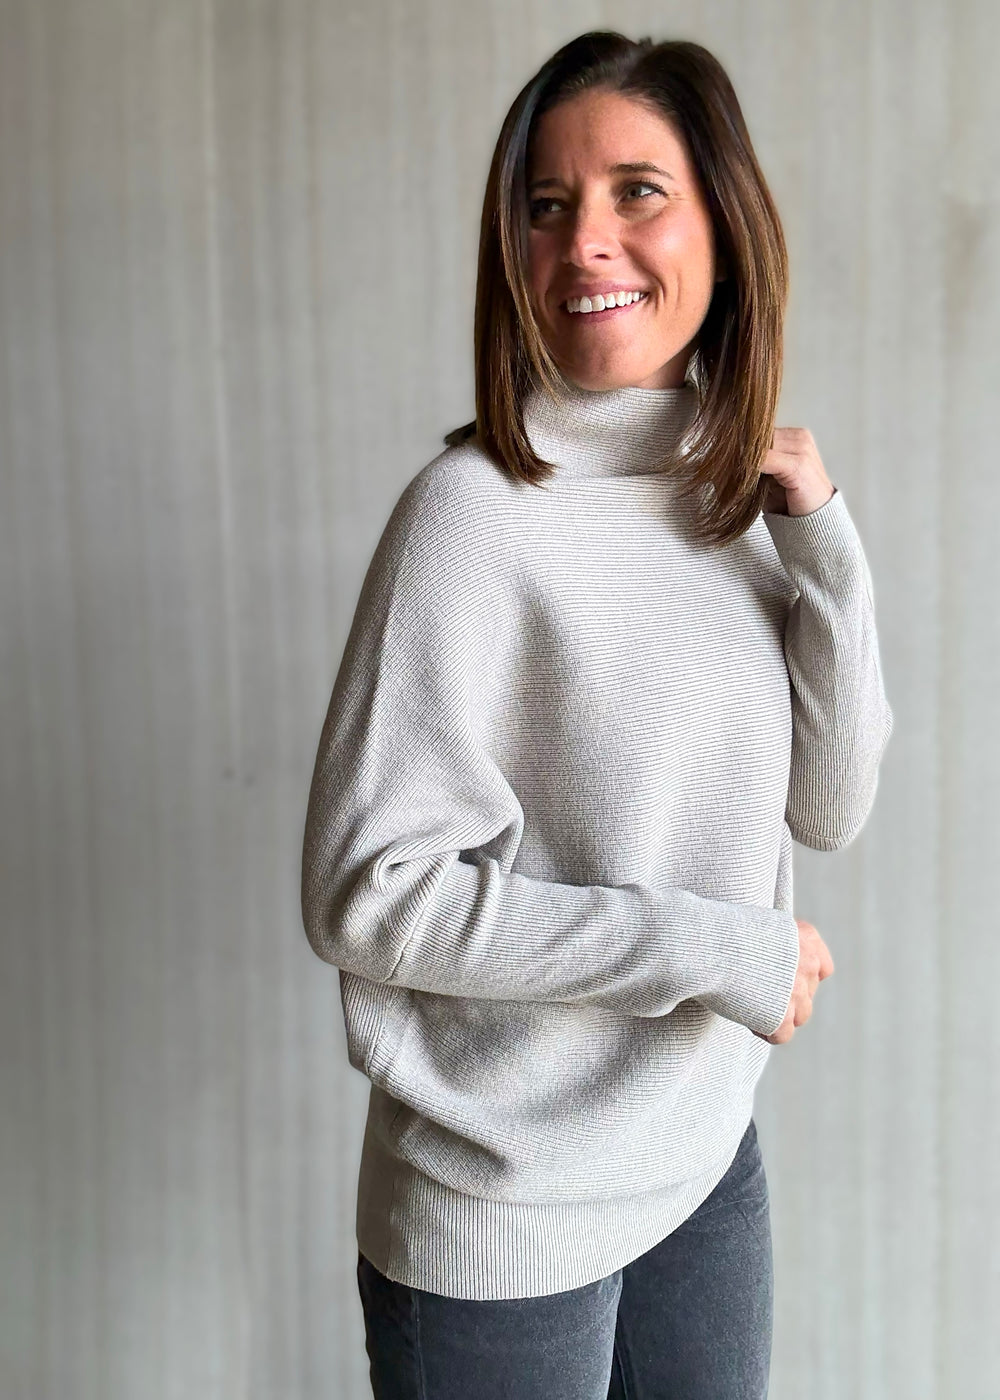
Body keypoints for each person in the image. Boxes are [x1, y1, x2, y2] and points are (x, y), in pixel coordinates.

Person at [300, 30, 893, 1400]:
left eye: (638, 192)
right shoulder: (469, 520)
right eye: (548, 205)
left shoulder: (736, 503)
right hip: (503, 1200)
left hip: (701, 1153)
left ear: (724, 228)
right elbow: (367, 896)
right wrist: (707, 947)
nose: (585, 245)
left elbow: (831, 805)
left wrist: (825, 546)